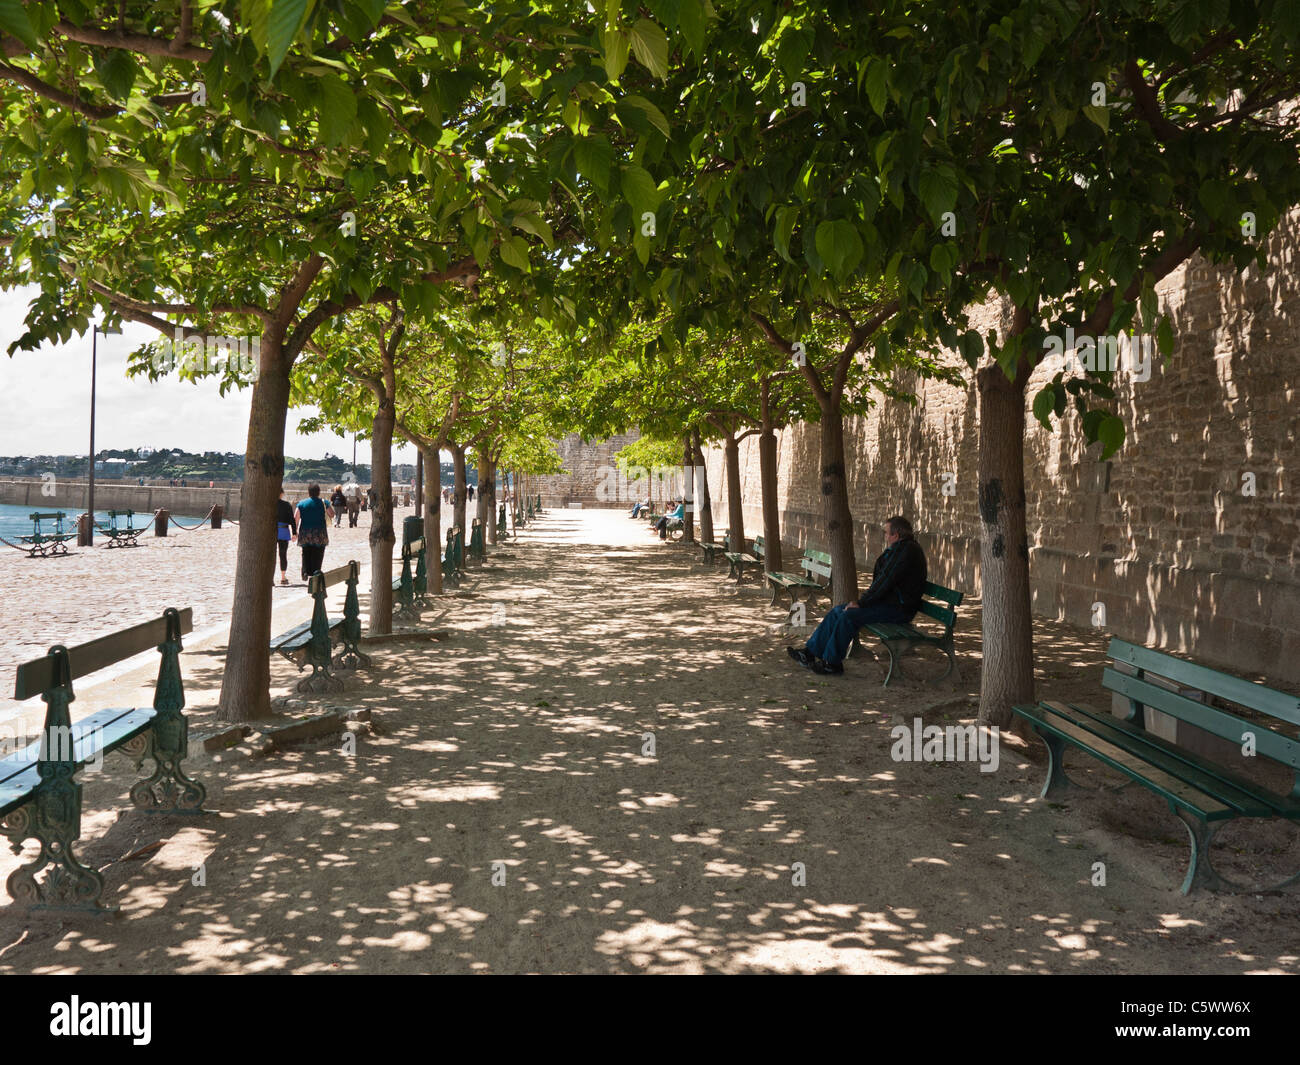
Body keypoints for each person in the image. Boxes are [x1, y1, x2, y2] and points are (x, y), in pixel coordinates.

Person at [789, 515, 927, 676]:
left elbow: (885, 580)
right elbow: (884, 581)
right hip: (889, 603)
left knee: (849, 616)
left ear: (895, 535)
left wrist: (862, 603)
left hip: (900, 609)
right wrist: (864, 602)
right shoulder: (901, 548)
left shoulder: (906, 550)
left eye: (886, 532)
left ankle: (832, 664)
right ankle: (809, 653)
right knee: (838, 611)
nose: (884, 536)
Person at [296, 483, 333, 581]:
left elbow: (296, 518)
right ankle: (316, 572)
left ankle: (305, 571)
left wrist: (295, 531)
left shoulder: (301, 503)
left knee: (305, 552)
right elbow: (332, 514)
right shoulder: (324, 502)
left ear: (309, 492)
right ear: (318, 492)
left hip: (305, 531)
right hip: (319, 531)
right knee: (318, 552)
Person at [274, 489, 298, 586]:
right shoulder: (286, 505)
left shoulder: (268, 504)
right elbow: (292, 520)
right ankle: (283, 577)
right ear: (282, 494)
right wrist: (294, 533)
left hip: (271, 532)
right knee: (283, 555)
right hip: (283, 531)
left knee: (270, 556)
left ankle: (270, 578)